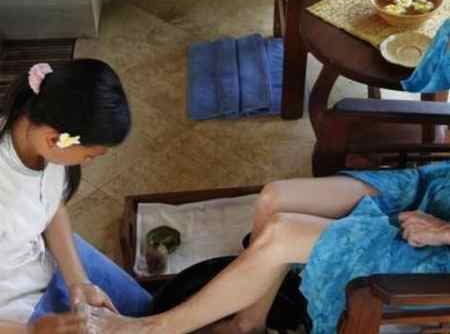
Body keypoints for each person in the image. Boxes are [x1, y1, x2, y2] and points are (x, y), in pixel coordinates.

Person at [91, 166, 450, 334]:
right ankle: (249, 323)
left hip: (441, 250)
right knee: (273, 198)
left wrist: (444, 232)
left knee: (281, 234)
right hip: (435, 187)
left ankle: (155, 329)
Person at [0, 61, 152, 334]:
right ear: (54, 139)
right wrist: (33, 331)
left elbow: (50, 207)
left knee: (145, 313)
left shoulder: (41, 134)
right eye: (89, 155)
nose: (88, 162)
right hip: (12, 313)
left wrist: (78, 281)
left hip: (44, 261)